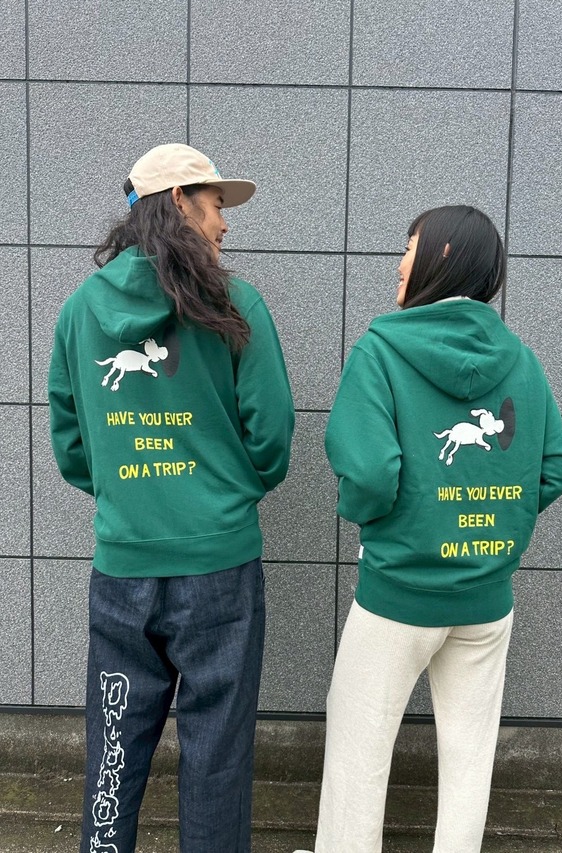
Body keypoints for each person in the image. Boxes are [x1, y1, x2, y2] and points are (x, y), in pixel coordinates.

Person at [295, 204, 562, 853]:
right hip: (486, 600)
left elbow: (370, 473)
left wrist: (379, 520)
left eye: (409, 246)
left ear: (442, 257)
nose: (398, 264)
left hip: (398, 593)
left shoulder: (380, 351)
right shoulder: (522, 361)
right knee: (470, 757)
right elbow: (558, 466)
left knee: (359, 751)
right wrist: (500, 519)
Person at [48, 143, 294, 853]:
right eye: (216, 205)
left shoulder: (80, 310)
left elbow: (72, 442)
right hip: (220, 572)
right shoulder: (235, 303)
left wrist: (130, 496)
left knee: (114, 749)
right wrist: (222, 495)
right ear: (179, 201)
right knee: (217, 753)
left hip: (122, 568)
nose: (225, 223)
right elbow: (272, 435)